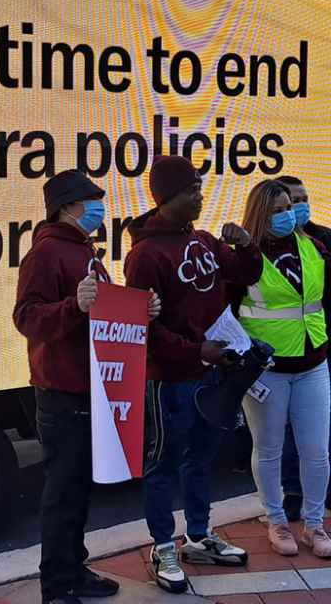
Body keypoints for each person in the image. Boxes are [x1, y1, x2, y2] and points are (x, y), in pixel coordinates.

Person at [13, 169, 161, 604]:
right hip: (62, 390)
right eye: (93, 200)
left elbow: (104, 310)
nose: (100, 207)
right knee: (62, 494)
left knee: (78, 490)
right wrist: (72, 306)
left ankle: (74, 570)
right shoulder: (46, 255)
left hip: (92, 386)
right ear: (70, 206)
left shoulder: (84, 250)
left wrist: (141, 309)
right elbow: (27, 318)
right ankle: (57, 587)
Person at [124, 155, 262, 594]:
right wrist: (194, 350)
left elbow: (246, 272)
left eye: (200, 188)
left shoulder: (200, 240)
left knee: (201, 457)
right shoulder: (145, 256)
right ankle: (163, 545)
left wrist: (246, 245)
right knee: (162, 464)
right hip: (172, 379)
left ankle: (198, 536)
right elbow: (142, 328)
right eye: (192, 191)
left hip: (212, 372)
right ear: (167, 198)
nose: (200, 197)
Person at [232, 179, 331, 558]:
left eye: (290, 206)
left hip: (313, 362)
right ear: (261, 213)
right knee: (269, 448)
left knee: (316, 450)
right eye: (278, 209)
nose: (288, 214)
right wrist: (243, 359)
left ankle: (314, 523)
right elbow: (227, 311)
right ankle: (276, 520)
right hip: (268, 369)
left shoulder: (314, 246)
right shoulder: (245, 256)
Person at [274, 175, 331, 523]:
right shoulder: (267, 246)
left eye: (304, 199)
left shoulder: (322, 239)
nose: (300, 207)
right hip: (285, 353)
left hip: (321, 343)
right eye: (293, 201)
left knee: (320, 428)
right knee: (286, 432)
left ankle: (321, 494)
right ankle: (292, 493)